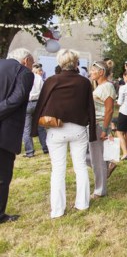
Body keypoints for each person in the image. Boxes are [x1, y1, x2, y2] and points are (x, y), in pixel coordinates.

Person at [31, 49, 96, 219]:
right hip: (78, 128)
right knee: (80, 167)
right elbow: (91, 107)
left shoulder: (51, 81)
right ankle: (82, 203)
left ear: (60, 63)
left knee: (57, 170)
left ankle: (58, 210)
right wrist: (93, 131)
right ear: (76, 62)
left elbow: (40, 104)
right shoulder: (84, 82)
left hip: (56, 130)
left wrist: (33, 129)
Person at [0, 48, 34, 224]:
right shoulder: (25, 73)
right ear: (26, 60)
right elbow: (17, 98)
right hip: (5, 131)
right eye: (32, 63)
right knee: (3, 176)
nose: (32, 66)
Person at [88, 61, 117, 199]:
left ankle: (100, 190)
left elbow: (109, 109)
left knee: (96, 159)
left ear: (101, 72)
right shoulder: (100, 87)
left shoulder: (107, 86)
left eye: (93, 70)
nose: (90, 72)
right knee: (90, 157)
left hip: (99, 125)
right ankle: (108, 164)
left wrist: (105, 129)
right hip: (95, 124)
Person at [22, 63, 48, 157]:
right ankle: (45, 147)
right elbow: (43, 90)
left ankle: (30, 151)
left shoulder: (24, 77)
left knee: (26, 128)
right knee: (41, 127)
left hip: (28, 102)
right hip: (37, 102)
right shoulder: (38, 77)